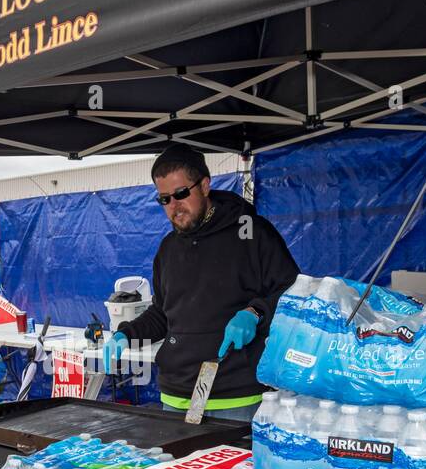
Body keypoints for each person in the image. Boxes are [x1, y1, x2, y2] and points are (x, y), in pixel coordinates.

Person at [103, 143, 299, 421]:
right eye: (164, 199)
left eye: (181, 193)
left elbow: (293, 293)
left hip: (237, 396)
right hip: (175, 395)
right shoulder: (168, 248)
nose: (174, 206)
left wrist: (255, 313)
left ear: (205, 185)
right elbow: (163, 313)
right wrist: (127, 334)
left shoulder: (252, 233)